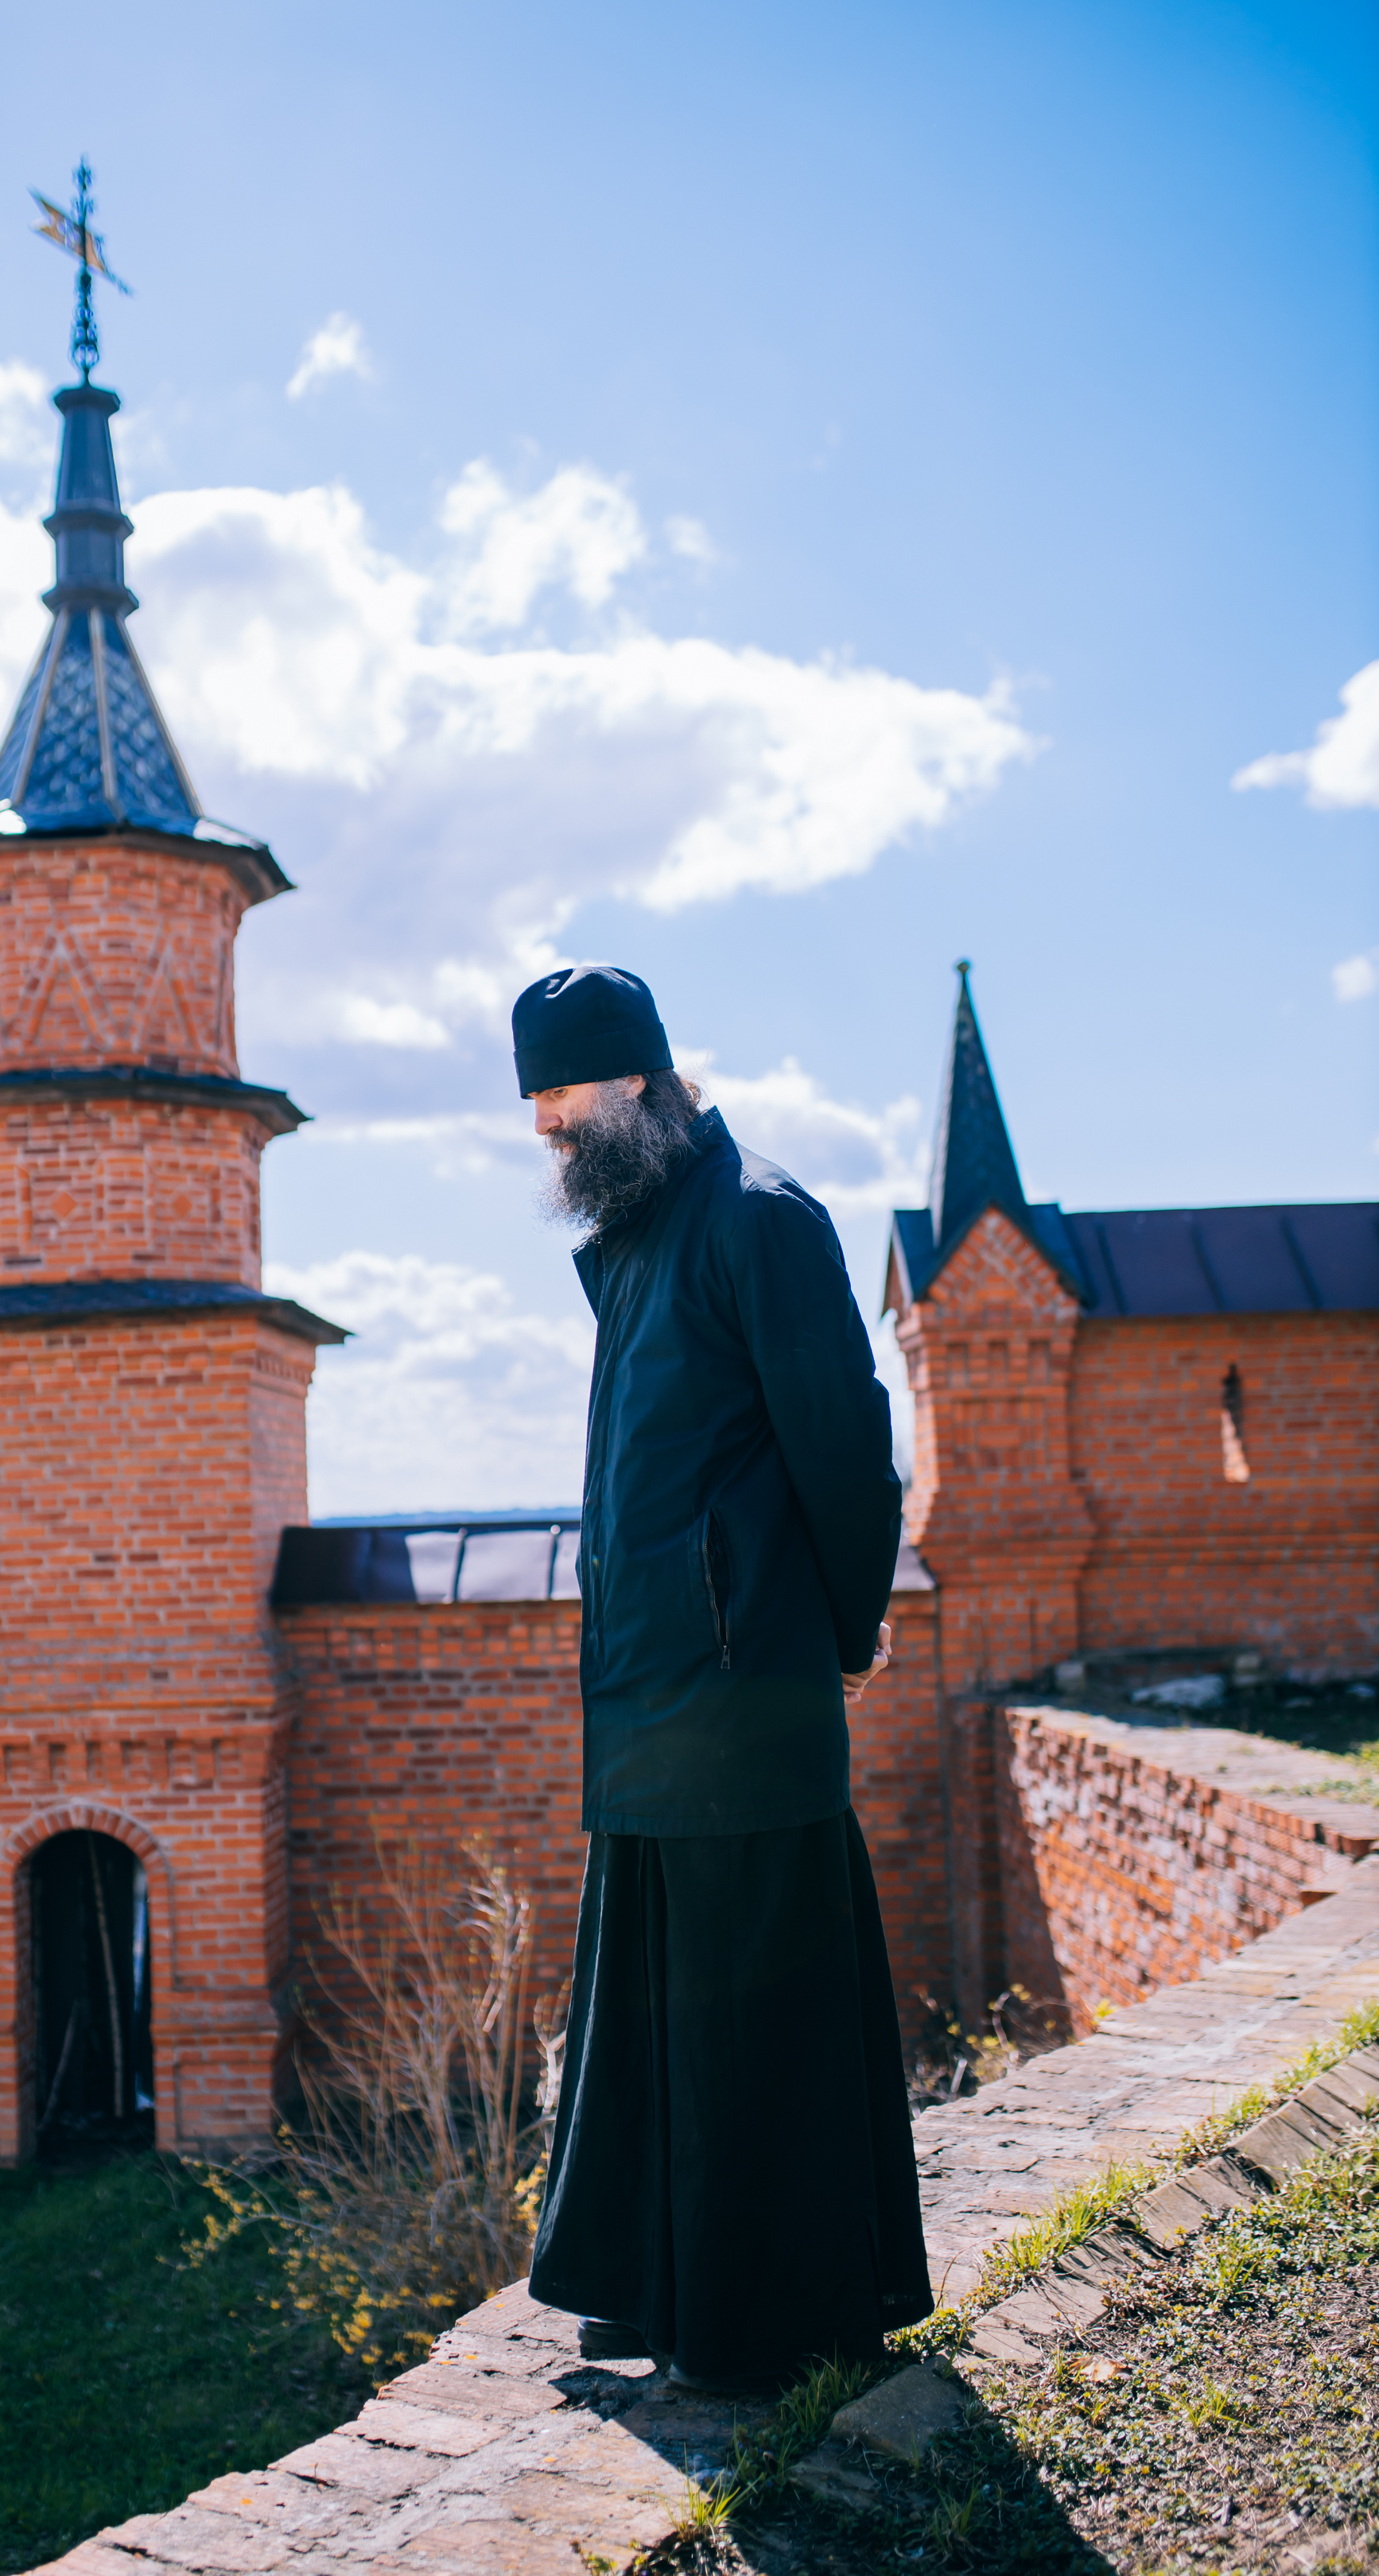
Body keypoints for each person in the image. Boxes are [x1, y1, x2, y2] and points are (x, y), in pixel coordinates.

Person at [516, 962, 931, 2395]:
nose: (544, 1127)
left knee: (756, 2018)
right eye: (532, 1102)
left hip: (743, 1696)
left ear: (637, 1077)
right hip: (647, 1700)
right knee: (659, 2019)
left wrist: (848, 1630)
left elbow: (844, 1446)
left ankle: (769, 2324)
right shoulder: (641, 1235)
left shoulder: (758, 1216)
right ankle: (654, 2292)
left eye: (559, 1096)